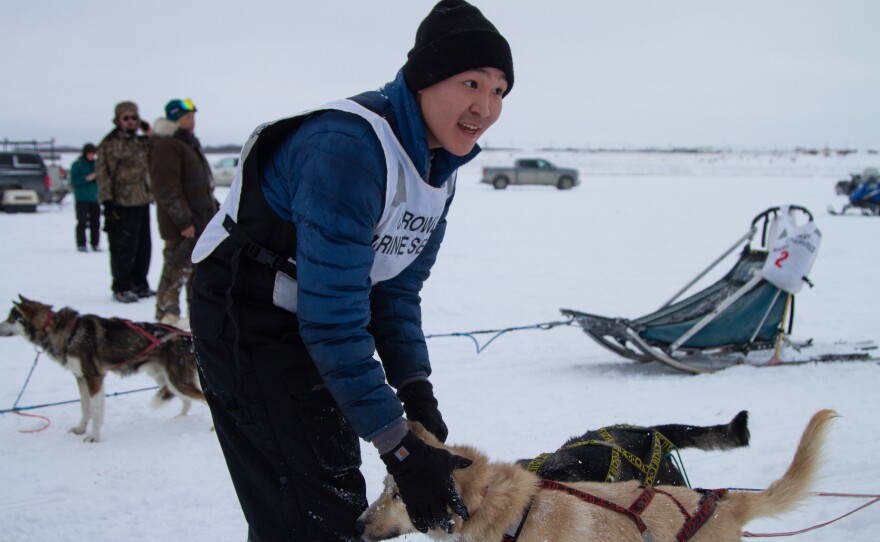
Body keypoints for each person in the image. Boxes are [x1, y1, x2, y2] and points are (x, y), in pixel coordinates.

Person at [190, 1, 513, 540]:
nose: (486, 106)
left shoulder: (437, 171)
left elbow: (395, 288)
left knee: (330, 483)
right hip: (246, 314)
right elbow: (334, 316)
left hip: (312, 311)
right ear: (425, 79)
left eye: (500, 90)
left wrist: (415, 391)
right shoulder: (348, 149)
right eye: (472, 83)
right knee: (309, 503)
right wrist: (401, 448)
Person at [149, 98, 217, 327]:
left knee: (196, 275)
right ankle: (166, 319)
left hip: (200, 223)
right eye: (187, 117)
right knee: (174, 274)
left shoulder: (188, 143)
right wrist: (183, 221)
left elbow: (202, 187)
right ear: (175, 119)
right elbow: (167, 188)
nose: (192, 121)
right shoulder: (167, 145)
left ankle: (194, 319)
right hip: (182, 227)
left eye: (193, 116)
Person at [96, 101, 155, 304]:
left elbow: (157, 152)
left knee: (143, 247)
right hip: (121, 203)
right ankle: (122, 286)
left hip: (142, 200)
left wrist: (150, 133)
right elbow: (103, 173)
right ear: (118, 120)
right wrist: (108, 202)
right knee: (123, 248)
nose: (131, 122)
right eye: (126, 118)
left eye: (134, 118)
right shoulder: (111, 143)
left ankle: (140, 284)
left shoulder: (141, 142)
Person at [69, 143, 101, 252]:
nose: (92, 155)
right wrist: (86, 178)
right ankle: (81, 243)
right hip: (82, 198)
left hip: (95, 198)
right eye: (90, 153)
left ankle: (95, 243)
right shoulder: (77, 164)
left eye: (93, 153)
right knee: (82, 221)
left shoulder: (97, 164)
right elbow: (74, 181)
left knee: (95, 222)